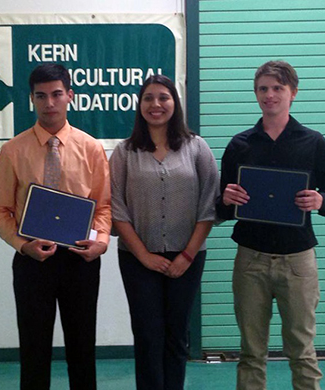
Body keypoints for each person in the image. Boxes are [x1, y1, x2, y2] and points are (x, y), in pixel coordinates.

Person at [216, 61, 325, 390]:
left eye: (278, 88)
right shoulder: (239, 145)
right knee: (251, 352)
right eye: (263, 88)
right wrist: (226, 198)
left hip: (298, 260)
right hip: (251, 259)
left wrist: (321, 201)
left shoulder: (313, 142)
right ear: (256, 94)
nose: (270, 95)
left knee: (301, 351)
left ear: (293, 93)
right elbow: (221, 205)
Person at [0, 63, 110, 390]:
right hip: (32, 261)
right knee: (33, 349)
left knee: (82, 349)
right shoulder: (13, 151)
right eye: (41, 96)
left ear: (70, 95)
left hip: (80, 261)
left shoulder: (91, 148)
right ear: (31, 99)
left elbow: (104, 206)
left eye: (57, 94)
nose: (49, 103)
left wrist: (100, 243)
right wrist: (21, 244)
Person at [110, 74, 218, 390]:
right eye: (148, 98)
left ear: (175, 103)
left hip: (188, 258)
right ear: (139, 105)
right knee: (147, 335)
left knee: (176, 335)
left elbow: (209, 205)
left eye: (163, 97)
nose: (155, 105)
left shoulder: (197, 148)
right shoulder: (124, 152)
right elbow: (117, 208)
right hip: (137, 259)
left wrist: (187, 254)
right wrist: (143, 255)